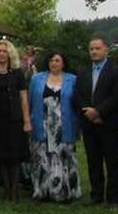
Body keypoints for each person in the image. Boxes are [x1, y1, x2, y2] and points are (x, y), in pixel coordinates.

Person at [72, 37, 118, 208]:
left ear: (106, 50)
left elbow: (117, 96)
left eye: (97, 48)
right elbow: (78, 95)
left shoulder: (117, 71)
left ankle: (114, 198)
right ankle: (96, 194)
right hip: (89, 123)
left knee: (112, 162)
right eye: (91, 49)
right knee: (93, 160)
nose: (94, 52)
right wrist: (87, 111)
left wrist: (99, 111)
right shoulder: (83, 71)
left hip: (108, 122)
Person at [28, 52, 82, 203]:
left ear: (63, 63)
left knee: (64, 157)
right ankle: (41, 191)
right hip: (41, 124)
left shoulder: (73, 79)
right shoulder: (37, 79)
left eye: (58, 60)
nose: (54, 63)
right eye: (51, 60)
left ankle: (65, 191)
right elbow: (31, 101)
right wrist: (29, 121)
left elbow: (77, 104)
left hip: (64, 125)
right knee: (41, 158)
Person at [0, 39, 31, 201]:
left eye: (4, 51)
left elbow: (24, 97)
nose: (1, 54)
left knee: (15, 155)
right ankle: (5, 187)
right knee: (1, 156)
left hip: (15, 119)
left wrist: (27, 120)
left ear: (10, 54)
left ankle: (14, 189)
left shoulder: (18, 73)